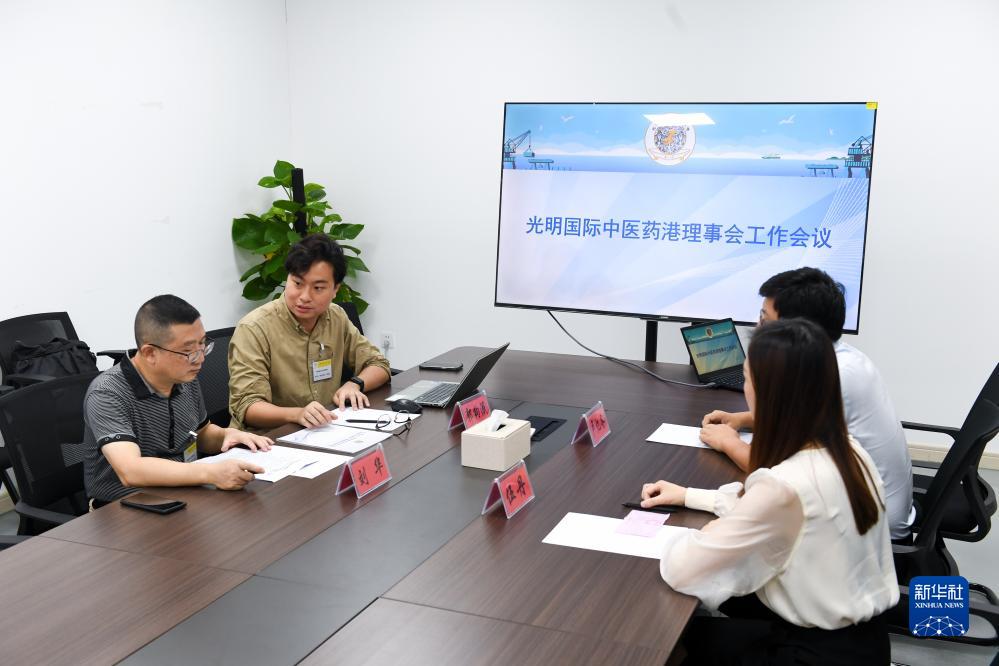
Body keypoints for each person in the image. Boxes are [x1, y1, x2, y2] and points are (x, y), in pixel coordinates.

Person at [641, 318, 898, 664]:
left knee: (671, 638)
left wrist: (707, 531)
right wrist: (690, 496)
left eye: (746, 378)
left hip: (810, 654)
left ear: (768, 394)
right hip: (866, 642)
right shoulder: (848, 450)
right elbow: (773, 513)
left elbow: (683, 569)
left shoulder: (785, 486)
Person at [699, 267, 914, 540]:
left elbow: (772, 467)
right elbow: (801, 420)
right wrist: (741, 419)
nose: (758, 328)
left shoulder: (833, 376)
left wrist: (729, 442)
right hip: (861, 505)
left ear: (795, 329)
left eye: (765, 320)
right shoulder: (839, 356)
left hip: (868, 527)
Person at [83, 295, 273, 507]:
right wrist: (210, 473)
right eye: (188, 351)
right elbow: (130, 471)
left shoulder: (184, 377)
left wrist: (227, 435)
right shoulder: (107, 393)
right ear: (150, 353)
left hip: (184, 491)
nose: (200, 359)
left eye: (203, 345)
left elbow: (200, 434)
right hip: (125, 505)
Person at [228, 234, 391, 431]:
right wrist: (297, 414)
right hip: (267, 438)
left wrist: (355, 383)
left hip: (322, 430)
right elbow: (247, 407)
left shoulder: (336, 317)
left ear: (335, 289)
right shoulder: (254, 328)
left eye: (318, 288)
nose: (304, 297)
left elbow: (378, 364)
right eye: (297, 283)